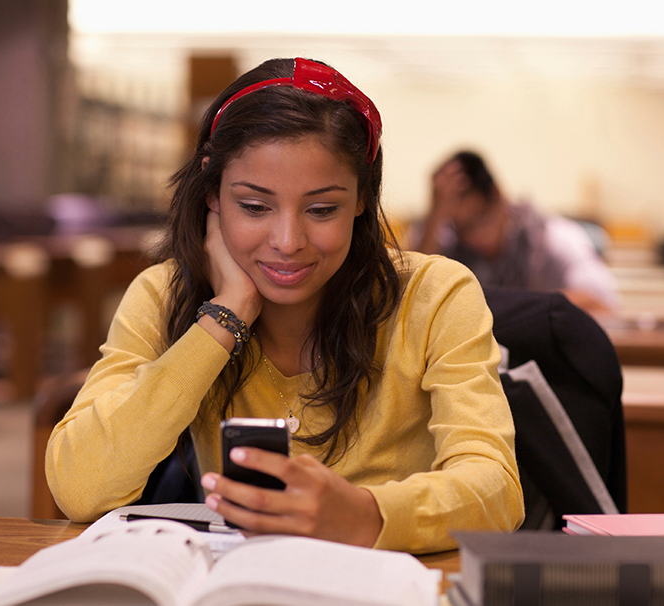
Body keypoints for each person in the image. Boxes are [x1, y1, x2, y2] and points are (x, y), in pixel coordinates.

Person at [45, 58, 524, 554]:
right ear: (212, 192)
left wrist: (365, 515)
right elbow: (81, 487)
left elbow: (496, 490)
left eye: (322, 210)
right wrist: (224, 316)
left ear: (362, 198)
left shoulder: (436, 295)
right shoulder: (164, 293)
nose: (288, 241)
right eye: (254, 207)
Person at [414, 151, 619, 314]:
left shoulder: (552, 236)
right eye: (463, 229)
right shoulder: (448, 241)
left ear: (498, 196)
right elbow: (412, 295)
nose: (475, 239)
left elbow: (601, 300)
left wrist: (515, 307)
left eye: (480, 221)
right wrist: (435, 217)